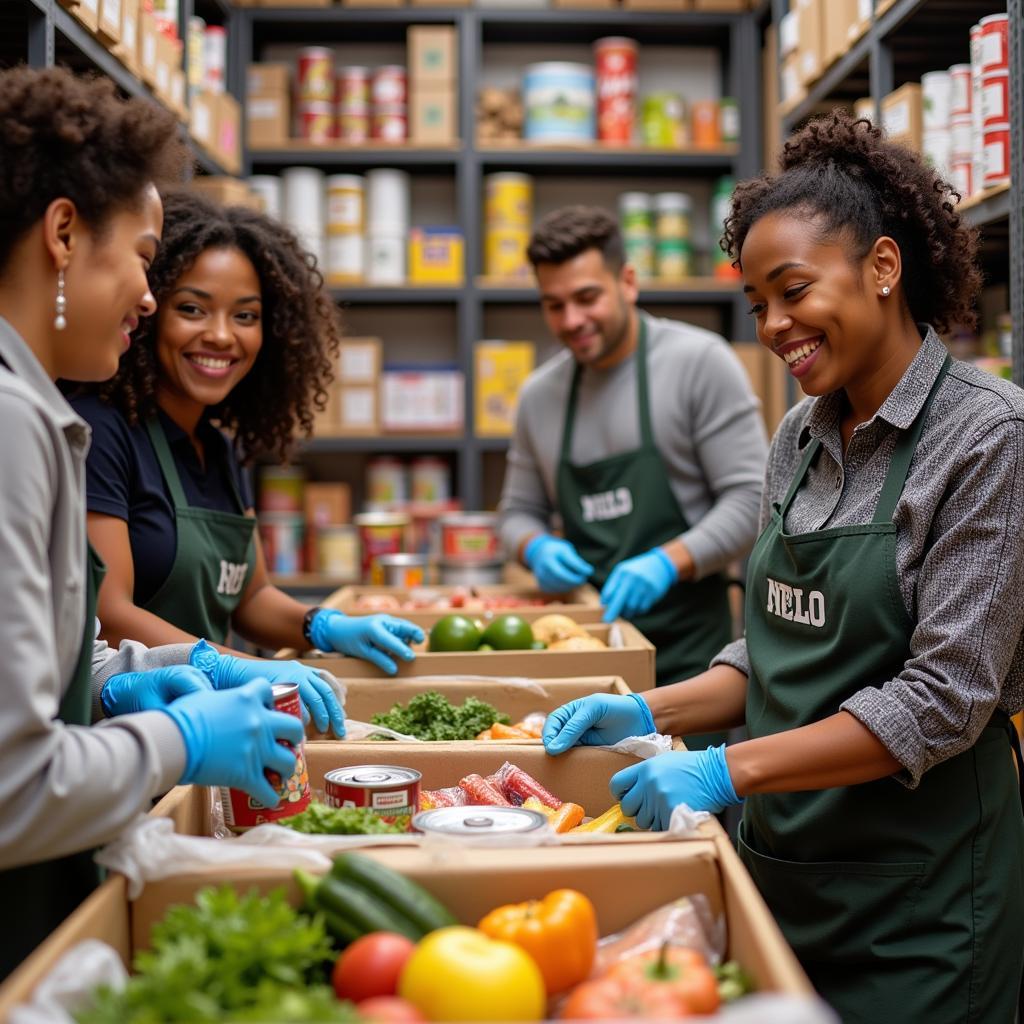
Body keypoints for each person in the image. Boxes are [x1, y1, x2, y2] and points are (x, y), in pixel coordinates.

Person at [543, 111, 1024, 1023]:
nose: (772, 325)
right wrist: (652, 709)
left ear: (883, 268)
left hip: (920, 911)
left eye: (793, 289)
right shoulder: (800, 436)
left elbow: (946, 697)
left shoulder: (988, 436)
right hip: (786, 877)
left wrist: (728, 772)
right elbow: (777, 644)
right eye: (757, 303)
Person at [0, 67, 326, 978]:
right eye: (147, 260)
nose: (148, 299)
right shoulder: (20, 424)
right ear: (64, 233)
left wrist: (123, 680)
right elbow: (11, 783)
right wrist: (180, 737)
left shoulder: (38, 412)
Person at [72, 191, 423, 732]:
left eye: (246, 316)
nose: (221, 334)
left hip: (218, 730)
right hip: (134, 734)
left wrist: (323, 626)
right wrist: (237, 665)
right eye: (192, 308)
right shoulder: (104, 431)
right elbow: (111, 615)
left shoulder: (218, 446)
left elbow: (251, 594)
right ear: (149, 311)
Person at [497, 205, 767, 743]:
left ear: (627, 282)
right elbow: (515, 513)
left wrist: (667, 563)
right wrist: (534, 549)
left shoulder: (698, 363)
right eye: (554, 305)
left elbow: (755, 499)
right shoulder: (539, 397)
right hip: (589, 661)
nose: (571, 320)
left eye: (586, 297)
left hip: (694, 662)